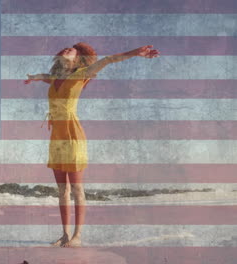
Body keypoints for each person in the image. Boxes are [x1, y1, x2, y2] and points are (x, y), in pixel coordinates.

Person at [25, 43, 160, 247]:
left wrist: (135, 53)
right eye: (64, 49)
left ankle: (77, 237)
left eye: (72, 50)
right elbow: (44, 76)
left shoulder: (82, 73)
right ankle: (64, 235)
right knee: (62, 190)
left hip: (72, 134)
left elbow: (107, 60)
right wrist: (33, 76)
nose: (66, 49)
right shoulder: (54, 79)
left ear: (79, 58)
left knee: (77, 188)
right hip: (56, 137)